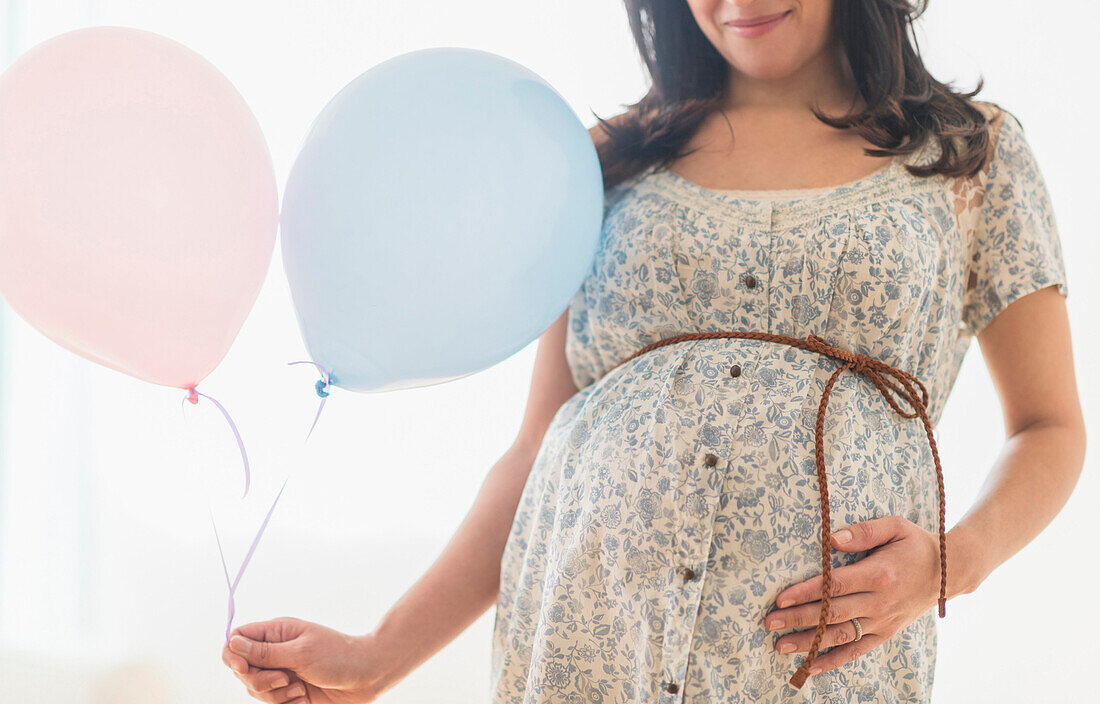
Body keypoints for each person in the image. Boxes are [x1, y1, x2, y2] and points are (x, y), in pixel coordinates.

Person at [221, 1, 1086, 702]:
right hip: (584, 646)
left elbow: (1048, 429)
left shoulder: (974, 152)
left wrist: (951, 562)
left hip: (819, 667)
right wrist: (377, 657)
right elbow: (534, 450)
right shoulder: (606, 160)